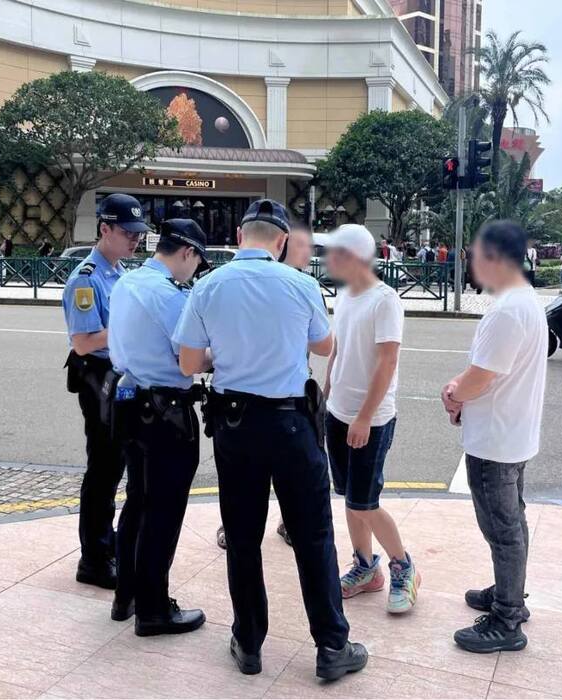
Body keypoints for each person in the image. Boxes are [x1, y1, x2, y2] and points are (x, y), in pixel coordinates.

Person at [174, 199, 367, 681]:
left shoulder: (208, 286)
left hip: (236, 427)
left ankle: (249, 643)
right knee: (314, 536)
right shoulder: (301, 285)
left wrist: (228, 356)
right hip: (292, 425)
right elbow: (326, 346)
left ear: (240, 237)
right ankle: (331, 647)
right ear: (280, 242)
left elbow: (187, 363)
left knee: (242, 538)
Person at [441, 219, 547, 653]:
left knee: (502, 529)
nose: (469, 263)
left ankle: (506, 620)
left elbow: (480, 376)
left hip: (495, 441)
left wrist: (452, 393)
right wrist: (462, 387)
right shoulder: (524, 302)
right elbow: (489, 370)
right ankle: (509, 593)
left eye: (473, 255)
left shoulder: (506, 311)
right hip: (512, 433)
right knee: (512, 523)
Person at [107, 218, 210, 635]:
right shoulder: (168, 295)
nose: (195, 273)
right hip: (166, 411)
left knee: (137, 502)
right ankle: (154, 608)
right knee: (164, 512)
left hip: (129, 401)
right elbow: (191, 359)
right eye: (197, 263)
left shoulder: (127, 283)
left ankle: (126, 596)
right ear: (186, 252)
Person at [322, 225, 418, 613]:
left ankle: (404, 566)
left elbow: (387, 360)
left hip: (371, 419)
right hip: (338, 413)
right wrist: (327, 393)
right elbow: (338, 351)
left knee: (365, 501)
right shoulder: (345, 296)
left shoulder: (385, 300)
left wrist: (362, 417)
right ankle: (365, 568)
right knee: (349, 498)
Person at [62, 193, 147, 589]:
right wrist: (128, 331)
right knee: (103, 469)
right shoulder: (86, 278)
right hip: (98, 379)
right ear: (105, 229)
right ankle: (94, 558)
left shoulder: (117, 274)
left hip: (117, 379)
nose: (135, 240)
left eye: (138, 234)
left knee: (116, 466)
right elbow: (82, 342)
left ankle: (105, 544)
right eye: (127, 233)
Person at [214, 226, 316, 552]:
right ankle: (237, 526)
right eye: (301, 246)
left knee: (277, 476)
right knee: (248, 483)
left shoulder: (298, 284)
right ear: (282, 244)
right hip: (260, 403)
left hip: (279, 397)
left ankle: (285, 522)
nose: (307, 253)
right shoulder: (283, 284)